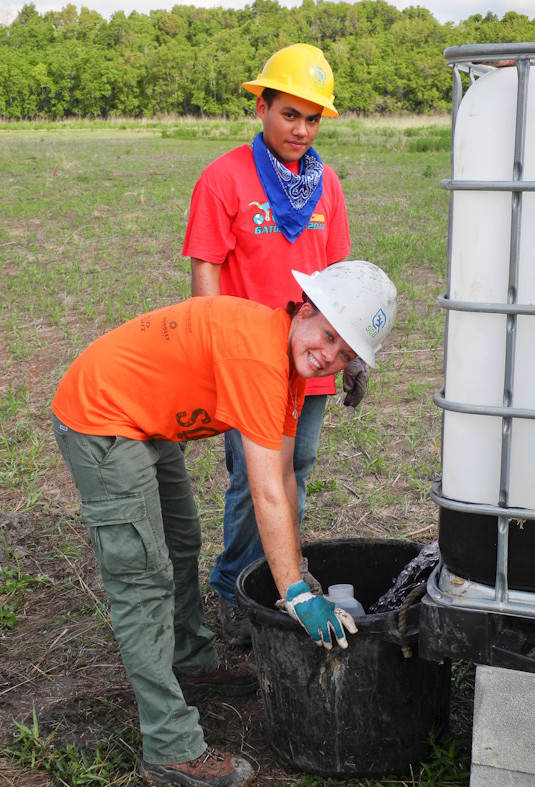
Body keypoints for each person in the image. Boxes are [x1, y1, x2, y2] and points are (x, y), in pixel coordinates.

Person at [51, 260, 397, 787]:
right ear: (304, 308)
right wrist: (297, 594)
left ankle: (190, 662)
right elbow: (262, 492)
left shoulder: (290, 366)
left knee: (182, 541)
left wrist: (297, 569)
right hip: (103, 416)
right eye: (329, 335)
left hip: (146, 417)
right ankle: (169, 745)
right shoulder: (258, 355)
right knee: (143, 577)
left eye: (346, 352)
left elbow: (282, 474)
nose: (330, 355)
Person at [182, 43, 368, 646]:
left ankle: (281, 574)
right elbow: (206, 269)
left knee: (297, 468)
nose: (302, 129)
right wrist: (210, 348)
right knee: (252, 478)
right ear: (262, 106)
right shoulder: (224, 177)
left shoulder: (327, 185)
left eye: (313, 118)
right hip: (248, 362)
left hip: (310, 357)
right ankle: (237, 585)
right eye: (290, 113)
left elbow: (339, 278)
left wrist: (350, 354)